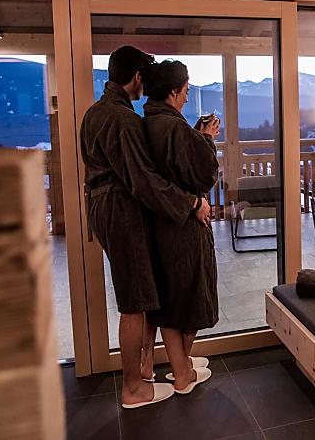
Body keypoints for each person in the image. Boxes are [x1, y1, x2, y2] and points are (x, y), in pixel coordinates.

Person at [79, 46, 211, 409]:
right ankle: (133, 388)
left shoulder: (95, 113)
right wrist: (191, 203)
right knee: (135, 301)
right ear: (137, 76)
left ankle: (147, 369)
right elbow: (144, 180)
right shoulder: (123, 119)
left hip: (103, 207)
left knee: (143, 292)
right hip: (120, 211)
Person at [140, 59, 220, 394]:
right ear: (173, 92)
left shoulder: (147, 123)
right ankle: (183, 372)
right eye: (186, 91)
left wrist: (195, 136)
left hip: (158, 223)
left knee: (171, 299)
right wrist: (207, 140)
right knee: (188, 298)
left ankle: (181, 366)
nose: (187, 97)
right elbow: (203, 175)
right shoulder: (173, 127)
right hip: (183, 225)